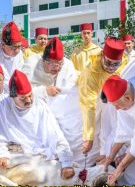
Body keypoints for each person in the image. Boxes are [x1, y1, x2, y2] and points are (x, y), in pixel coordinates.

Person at [0, 70, 75, 185]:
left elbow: (56, 136)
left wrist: (66, 164)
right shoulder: (3, 106)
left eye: (30, 96)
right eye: (23, 98)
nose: (28, 101)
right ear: (12, 97)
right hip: (14, 158)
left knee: (53, 173)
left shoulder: (40, 106)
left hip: (40, 156)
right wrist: (1, 154)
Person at [21, 37, 99, 167]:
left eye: (59, 63)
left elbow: (72, 85)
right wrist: (44, 90)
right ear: (43, 60)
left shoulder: (67, 65)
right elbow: (21, 92)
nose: (56, 67)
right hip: (36, 111)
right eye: (51, 63)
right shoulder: (31, 64)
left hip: (61, 113)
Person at [77, 38, 128, 160]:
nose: (111, 68)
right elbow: (88, 105)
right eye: (108, 63)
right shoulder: (90, 73)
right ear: (102, 56)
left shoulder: (126, 62)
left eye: (116, 64)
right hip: (95, 107)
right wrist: (88, 137)